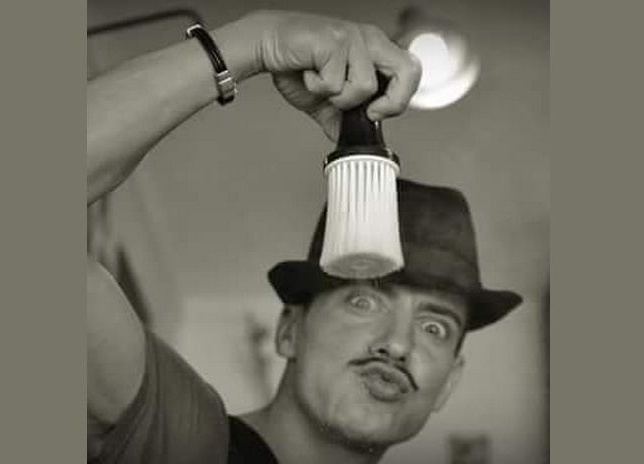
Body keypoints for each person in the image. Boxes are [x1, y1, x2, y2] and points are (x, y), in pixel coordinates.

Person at [87, 10, 522, 464]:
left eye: (435, 327)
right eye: (363, 300)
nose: (396, 345)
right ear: (289, 330)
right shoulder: (184, 440)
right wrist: (257, 42)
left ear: (449, 381)